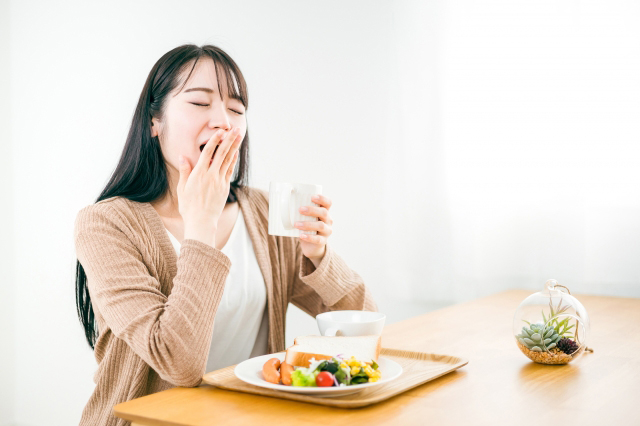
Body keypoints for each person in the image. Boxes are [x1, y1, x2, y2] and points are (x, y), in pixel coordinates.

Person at [73, 44, 377, 426]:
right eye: (200, 103)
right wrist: (201, 225)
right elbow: (179, 363)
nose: (224, 122)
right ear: (155, 121)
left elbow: (363, 330)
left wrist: (319, 256)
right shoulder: (106, 225)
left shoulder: (263, 211)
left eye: (236, 110)